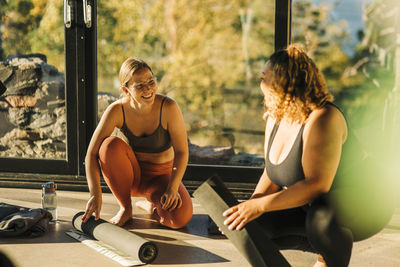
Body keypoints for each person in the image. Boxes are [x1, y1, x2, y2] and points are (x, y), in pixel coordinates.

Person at [222, 44, 394, 266]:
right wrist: (249, 206)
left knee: (321, 218)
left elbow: (317, 185)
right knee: (253, 225)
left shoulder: (323, 118)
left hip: (368, 202)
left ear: (284, 82)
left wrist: (260, 206)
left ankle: (328, 258)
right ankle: (323, 244)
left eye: (264, 78)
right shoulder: (275, 117)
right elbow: (272, 173)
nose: (260, 84)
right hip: (316, 206)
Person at [82, 58, 193, 229]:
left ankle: (152, 204)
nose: (148, 89)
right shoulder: (117, 110)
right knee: (109, 145)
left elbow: (182, 152)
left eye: (151, 82)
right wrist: (95, 193)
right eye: (140, 85)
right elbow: (91, 153)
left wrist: (173, 187)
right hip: (132, 177)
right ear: (126, 90)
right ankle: (126, 208)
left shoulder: (168, 107)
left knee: (179, 220)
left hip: (161, 179)